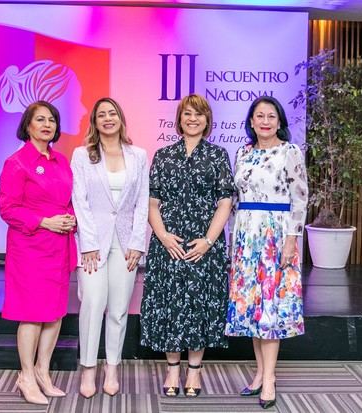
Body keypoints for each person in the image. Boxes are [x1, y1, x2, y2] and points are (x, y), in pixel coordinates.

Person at [140, 94, 234, 398]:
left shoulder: (218, 155)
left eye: (199, 115)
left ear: (207, 121)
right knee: (169, 304)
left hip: (204, 245)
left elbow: (225, 202)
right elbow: (152, 203)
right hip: (168, 245)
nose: (192, 119)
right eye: (187, 114)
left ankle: (194, 370)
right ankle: (172, 368)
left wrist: (208, 241)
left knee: (199, 305)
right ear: (179, 120)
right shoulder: (163, 155)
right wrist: (164, 236)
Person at [225, 96, 308, 409]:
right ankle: (260, 372)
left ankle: (270, 379)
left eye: (271, 116)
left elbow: (300, 198)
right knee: (252, 309)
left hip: (275, 234)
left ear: (279, 121)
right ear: (251, 121)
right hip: (246, 235)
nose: (265, 121)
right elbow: (235, 198)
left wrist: (292, 239)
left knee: (270, 307)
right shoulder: (243, 152)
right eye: (259, 116)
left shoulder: (290, 152)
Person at [0, 100, 77, 405]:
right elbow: (7, 208)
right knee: (32, 315)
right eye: (40, 119)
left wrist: (70, 216)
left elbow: (67, 199)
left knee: (54, 313)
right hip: (30, 248)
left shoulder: (61, 161)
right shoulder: (17, 162)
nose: (47, 125)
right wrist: (44, 220)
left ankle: (43, 372)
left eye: (52, 120)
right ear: (27, 126)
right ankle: (26, 375)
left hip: (59, 247)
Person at [71, 97, 149, 398]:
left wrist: (137, 244)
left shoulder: (138, 155)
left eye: (112, 112)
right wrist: (88, 244)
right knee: (92, 301)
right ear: (95, 122)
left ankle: (112, 368)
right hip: (93, 241)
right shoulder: (82, 155)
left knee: (118, 309)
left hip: (127, 242)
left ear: (121, 118)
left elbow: (142, 201)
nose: (107, 118)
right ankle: (88, 368)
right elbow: (80, 201)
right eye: (101, 114)